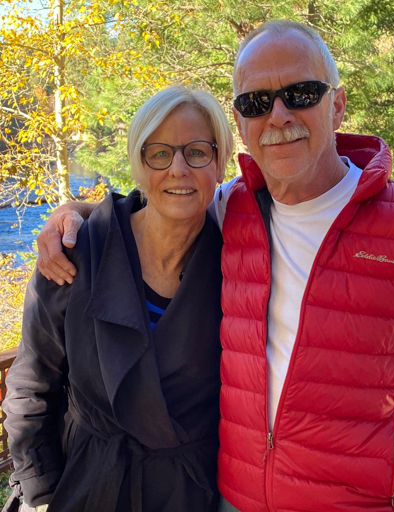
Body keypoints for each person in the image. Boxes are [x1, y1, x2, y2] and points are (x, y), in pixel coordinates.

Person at [35, 20, 394, 512]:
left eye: (300, 93)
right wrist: (77, 214)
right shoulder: (231, 207)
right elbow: (161, 201)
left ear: (338, 104)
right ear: (240, 124)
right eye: (256, 102)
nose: (278, 115)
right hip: (234, 499)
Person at [3, 85, 234, 512]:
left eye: (198, 151)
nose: (178, 168)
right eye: (159, 153)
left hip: (188, 494)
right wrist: (39, 492)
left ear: (220, 163)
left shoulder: (239, 264)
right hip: (85, 486)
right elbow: (32, 383)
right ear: (138, 164)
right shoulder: (76, 252)